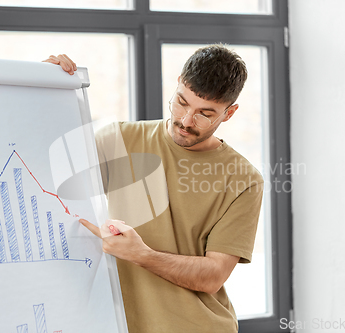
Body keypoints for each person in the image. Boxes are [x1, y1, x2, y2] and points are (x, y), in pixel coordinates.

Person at [44, 45, 264, 333]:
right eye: (182, 103)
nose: (186, 121)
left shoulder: (244, 179)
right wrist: (44, 88)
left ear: (229, 113)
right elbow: (41, 168)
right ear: (177, 85)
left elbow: (213, 276)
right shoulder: (118, 141)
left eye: (205, 114)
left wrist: (142, 254)